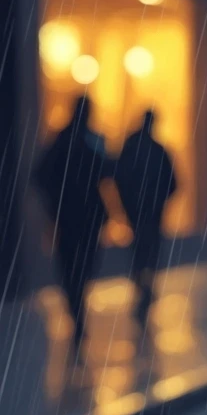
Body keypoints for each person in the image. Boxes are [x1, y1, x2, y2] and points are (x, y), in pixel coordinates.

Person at [32, 95, 112, 358]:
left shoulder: (67, 141)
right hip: (80, 218)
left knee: (75, 269)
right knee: (79, 268)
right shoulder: (82, 142)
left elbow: (41, 177)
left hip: (74, 219)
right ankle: (77, 311)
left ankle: (76, 309)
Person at [115, 110, 178, 327]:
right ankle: (145, 287)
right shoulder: (154, 150)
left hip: (141, 211)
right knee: (148, 252)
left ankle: (144, 287)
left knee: (143, 252)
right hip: (146, 211)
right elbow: (172, 182)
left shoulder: (137, 148)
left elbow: (119, 176)